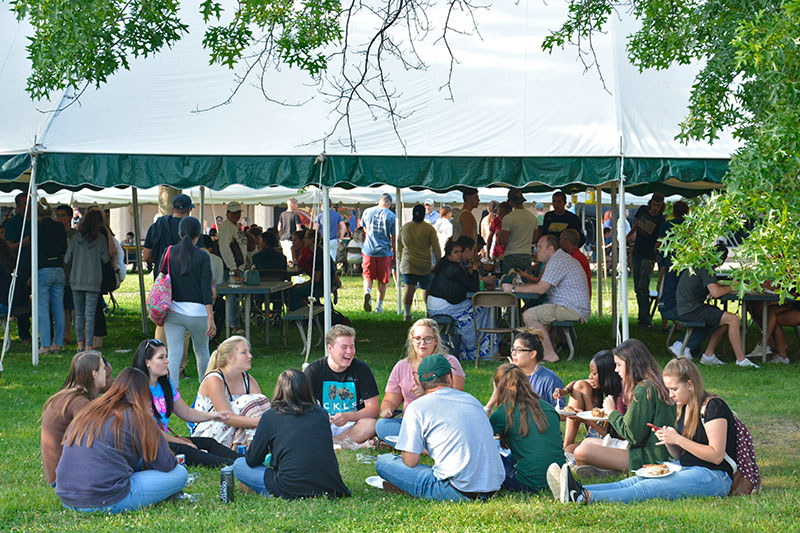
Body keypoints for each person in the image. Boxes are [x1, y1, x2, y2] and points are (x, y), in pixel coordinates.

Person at [549, 358, 736, 504]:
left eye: (674, 389)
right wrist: (670, 441)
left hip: (715, 477)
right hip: (687, 468)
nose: (670, 395)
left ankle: (584, 497)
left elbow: (716, 456)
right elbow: (680, 454)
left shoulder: (713, 407)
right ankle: (576, 489)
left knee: (650, 488)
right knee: (635, 480)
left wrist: (678, 439)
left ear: (690, 384)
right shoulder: (685, 406)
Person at [54, 368, 187, 513]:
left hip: (67, 498)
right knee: (180, 474)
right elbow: (166, 464)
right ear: (145, 394)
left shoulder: (90, 410)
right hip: (104, 500)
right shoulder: (137, 415)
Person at [375, 354, 504, 501]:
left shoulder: (417, 407)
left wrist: (407, 449)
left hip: (455, 490)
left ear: (419, 381)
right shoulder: (471, 400)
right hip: (492, 487)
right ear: (449, 377)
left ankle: (406, 487)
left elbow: (410, 461)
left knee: (384, 461)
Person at [233, 369, 352, 499]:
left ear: (279, 390)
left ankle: (262, 488)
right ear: (307, 389)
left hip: (289, 488)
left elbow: (252, 459)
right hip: (329, 486)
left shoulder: (270, 417)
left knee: (239, 464)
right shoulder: (322, 414)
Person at [569, 339, 676, 475]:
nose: (616, 369)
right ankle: (607, 470)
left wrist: (612, 412)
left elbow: (632, 435)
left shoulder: (643, 390)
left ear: (631, 365)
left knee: (581, 452)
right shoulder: (654, 384)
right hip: (649, 449)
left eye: (619, 365)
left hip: (648, 456)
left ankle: (613, 470)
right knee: (587, 442)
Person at [132, 339, 238, 467]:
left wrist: (214, 416)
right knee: (188, 450)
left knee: (209, 443)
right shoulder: (138, 389)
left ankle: (244, 460)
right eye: (161, 358)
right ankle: (233, 466)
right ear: (147, 362)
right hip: (149, 444)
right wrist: (180, 442)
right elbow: (152, 431)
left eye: (166, 356)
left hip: (165, 440)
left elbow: (186, 412)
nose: (167, 361)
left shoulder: (165, 384)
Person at [503, 235, 590, 362]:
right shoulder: (558, 259)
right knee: (536, 312)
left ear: (550, 249)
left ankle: (549, 354)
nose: (536, 250)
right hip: (571, 306)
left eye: (539, 247)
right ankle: (550, 346)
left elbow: (541, 289)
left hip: (571, 308)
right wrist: (520, 286)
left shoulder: (557, 261)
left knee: (528, 315)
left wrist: (512, 289)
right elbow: (540, 285)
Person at [376, 319, 465, 442]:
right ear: (412, 341)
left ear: (435, 341)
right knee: (382, 425)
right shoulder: (402, 366)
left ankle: (409, 444)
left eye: (427, 339)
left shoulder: (449, 362)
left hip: (440, 421)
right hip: (411, 423)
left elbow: (456, 397)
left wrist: (427, 393)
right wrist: (387, 409)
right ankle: (424, 444)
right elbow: (390, 400)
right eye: (417, 338)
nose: (422, 343)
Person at [486, 363, 565, 493]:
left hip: (527, 485)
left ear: (498, 388)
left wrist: (490, 404)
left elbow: (478, 437)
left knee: (491, 454)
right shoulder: (548, 407)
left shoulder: (503, 413)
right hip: (559, 477)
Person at [675, 243, 756, 367]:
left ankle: (709, 356)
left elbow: (714, 289)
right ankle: (741, 360)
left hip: (687, 307)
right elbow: (716, 292)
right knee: (733, 319)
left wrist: (728, 288)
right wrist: (733, 286)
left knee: (723, 322)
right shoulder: (707, 268)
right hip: (691, 310)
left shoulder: (701, 264)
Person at [159, 217, 216, 382]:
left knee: (174, 356)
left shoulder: (169, 252)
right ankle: (206, 393)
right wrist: (210, 318)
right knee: (202, 352)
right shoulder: (203, 256)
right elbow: (206, 290)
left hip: (173, 312)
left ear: (179, 233)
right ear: (198, 235)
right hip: (198, 314)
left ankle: (171, 397)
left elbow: (161, 279)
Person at [304, 325, 379, 445]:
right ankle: (341, 443)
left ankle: (332, 442)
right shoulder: (314, 370)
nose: (349, 352)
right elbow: (300, 404)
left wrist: (348, 416)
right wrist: (320, 416)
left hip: (353, 424)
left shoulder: (362, 369)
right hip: (323, 424)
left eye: (352, 347)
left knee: (372, 425)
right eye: (344, 347)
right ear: (330, 348)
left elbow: (374, 410)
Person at [192, 336, 270, 449]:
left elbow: (261, 408)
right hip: (210, 433)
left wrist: (264, 421)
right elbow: (226, 418)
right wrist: (261, 422)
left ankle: (257, 449)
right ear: (230, 358)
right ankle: (258, 449)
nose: (250, 356)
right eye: (244, 353)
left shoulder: (248, 380)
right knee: (246, 402)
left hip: (237, 429)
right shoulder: (215, 380)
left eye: (249, 352)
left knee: (259, 401)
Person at [41, 351, 105, 486]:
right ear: (95, 374)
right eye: (103, 368)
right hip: (63, 479)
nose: (106, 373)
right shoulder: (79, 402)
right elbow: (99, 437)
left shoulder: (70, 396)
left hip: (58, 474)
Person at [426, 240, 494, 360]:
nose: (459, 254)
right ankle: (478, 349)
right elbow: (472, 287)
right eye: (456, 252)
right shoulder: (453, 268)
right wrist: (474, 269)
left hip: (435, 304)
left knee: (475, 307)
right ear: (449, 255)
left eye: (460, 252)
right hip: (444, 305)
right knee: (482, 308)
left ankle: (470, 347)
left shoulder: (447, 265)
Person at [554, 350, 624, 454]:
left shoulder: (620, 400)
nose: (590, 376)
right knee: (580, 386)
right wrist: (565, 390)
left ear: (607, 375)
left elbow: (616, 439)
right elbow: (578, 383)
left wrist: (585, 419)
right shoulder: (602, 386)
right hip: (597, 437)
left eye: (594, 373)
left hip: (614, 443)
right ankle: (566, 447)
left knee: (579, 452)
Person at [64, 209, 109, 351]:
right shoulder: (101, 238)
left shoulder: (75, 239)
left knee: (78, 314)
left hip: (76, 279)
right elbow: (105, 259)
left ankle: (79, 345)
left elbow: (67, 259)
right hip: (94, 280)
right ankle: (89, 346)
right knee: (90, 314)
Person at [486, 329, 563, 408]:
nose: (513, 353)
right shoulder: (509, 375)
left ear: (533, 354)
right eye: (513, 349)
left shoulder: (549, 379)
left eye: (518, 350)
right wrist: (510, 374)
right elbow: (500, 406)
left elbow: (561, 412)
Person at [627, 192, 666, 328]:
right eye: (654, 204)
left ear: (662, 206)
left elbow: (660, 239)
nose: (655, 207)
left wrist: (655, 250)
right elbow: (637, 224)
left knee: (644, 286)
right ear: (650, 203)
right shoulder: (643, 210)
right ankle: (642, 316)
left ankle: (644, 318)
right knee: (637, 286)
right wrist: (629, 235)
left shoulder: (662, 220)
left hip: (648, 255)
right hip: (636, 252)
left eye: (658, 205)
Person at [397, 205, 442, 320]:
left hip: (408, 263)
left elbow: (399, 246)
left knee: (409, 289)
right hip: (425, 265)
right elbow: (436, 248)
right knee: (427, 289)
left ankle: (407, 314)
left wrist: (401, 258)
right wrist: (438, 263)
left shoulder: (405, 227)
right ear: (424, 215)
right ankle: (428, 312)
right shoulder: (429, 228)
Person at [36, 200, 68, 354]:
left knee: (42, 308)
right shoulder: (59, 226)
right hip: (58, 268)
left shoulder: (37, 227)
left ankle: (45, 344)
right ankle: (58, 343)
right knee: (58, 308)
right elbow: (64, 247)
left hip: (42, 269)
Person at [142, 193, 193, 280]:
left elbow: (146, 256)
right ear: (189, 210)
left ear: (172, 209)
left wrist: (161, 260)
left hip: (162, 279)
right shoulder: (192, 228)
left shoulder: (156, 227)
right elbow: (200, 254)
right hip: (186, 279)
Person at [360, 193, 396, 313]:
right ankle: (379, 306)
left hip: (368, 250)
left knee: (368, 275)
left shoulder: (367, 211)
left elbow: (364, 228)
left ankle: (367, 292)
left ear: (379, 201)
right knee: (383, 280)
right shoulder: (391, 215)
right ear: (389, 203)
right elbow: (394, 237)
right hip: (384, 252)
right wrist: (395, 255)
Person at [287, 229, 338, 311]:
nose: (304, 240)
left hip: (322, 286)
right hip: (326, 284)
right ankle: (305, 311)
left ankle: (301, 315)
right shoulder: (318, 251)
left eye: (306, 238)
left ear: (313, 239)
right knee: (294, 290)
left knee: (291, 293)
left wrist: (301, 285)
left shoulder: (318, 254)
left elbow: (316, 279)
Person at [6, 193, 32, 342]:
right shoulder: (13, 223)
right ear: (18, 206)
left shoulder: (40, 222)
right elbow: (7, 246)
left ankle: (48, 335)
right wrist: (21, 244)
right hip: (21, 268)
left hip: (39, 267)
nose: (27, 206)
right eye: (24, 203)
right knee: (22, 303)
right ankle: (24, 335)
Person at [497, 189, 538, 274]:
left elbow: (501, 241)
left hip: (512, 255)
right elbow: (535, 239)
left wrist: (499, 233)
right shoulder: (532, 217)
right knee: (526, 284)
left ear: (510, 202)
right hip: (527, 255)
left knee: (510, 284)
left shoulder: (508, 218)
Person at [54, 204, 77, 343]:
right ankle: (65, 335)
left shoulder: (75, 235)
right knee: (64, 308)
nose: (59, 219)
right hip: (60, 276)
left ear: (70, 217)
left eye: (62, 215)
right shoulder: (55, 235)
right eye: (57, 215)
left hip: (74, 276)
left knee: (78, 308)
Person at [218, 201, 248, 277]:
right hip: (233, 268)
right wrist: (232, 267)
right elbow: (224, 248)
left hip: (239, 267)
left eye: (238, 212)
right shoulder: (226, 226)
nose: (237, 215)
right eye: (233, 212)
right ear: (227, 213)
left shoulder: (235, 226)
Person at [560, 228, 591, 297]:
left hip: (577, 297)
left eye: (561, 239)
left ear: (567, 241)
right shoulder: (577, 256)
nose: (559, 242)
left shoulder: (575, 259)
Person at [278, 197, 303, 262]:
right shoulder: (295, 215)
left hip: (283, 239)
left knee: (285, 258)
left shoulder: (282, 214)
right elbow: (298, 229)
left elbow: (279, 228)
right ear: (292, 204)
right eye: (296, 204)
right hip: (291, 239)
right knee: (292, 259)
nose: (297, 206)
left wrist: (281, 236)